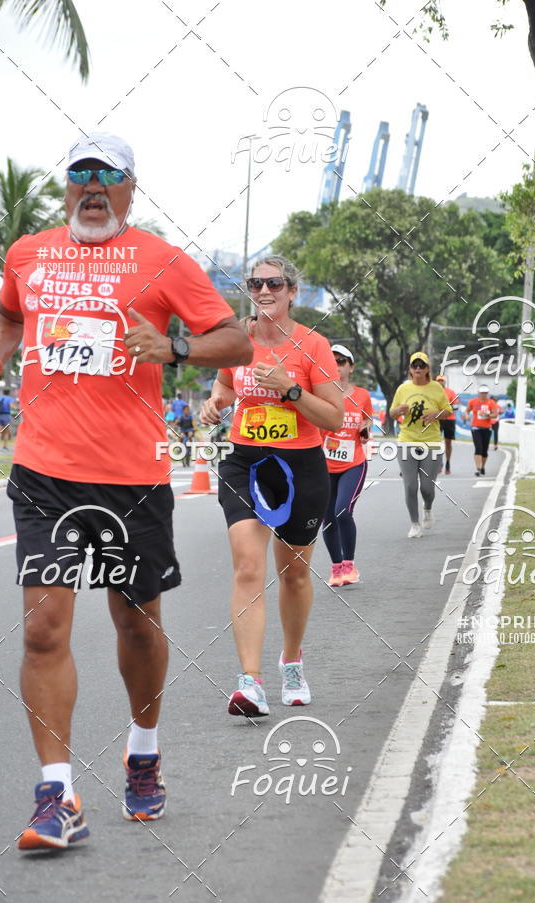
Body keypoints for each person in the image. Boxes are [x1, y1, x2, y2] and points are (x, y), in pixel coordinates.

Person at [0, 132, 251, 850]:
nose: (92, 186)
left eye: (107, 174)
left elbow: (235, 341)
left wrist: (173, 348)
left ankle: (143, 750)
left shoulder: (163, 260)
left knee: (135, 623)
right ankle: (57, 796)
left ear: (130, 188)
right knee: (43, 628)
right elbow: (10, 313)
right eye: (79, 174)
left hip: (132, 477)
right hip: (44, 472)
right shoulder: (27, 254)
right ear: (66, 187)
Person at [200, 255, 343, 717]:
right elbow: (225, 386)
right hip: (246, 463)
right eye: (256, 283)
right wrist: (215, 403)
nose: (264, 291)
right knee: (247, 567)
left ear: (291, 292)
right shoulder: (236, 340)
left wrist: (290, 389)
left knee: (294, 574)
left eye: (274, 284)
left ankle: (292, 662)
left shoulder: (313, 345)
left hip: (300, 468)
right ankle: (250, 683)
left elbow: (334, 417)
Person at [320, 345, 373, 587]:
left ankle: (349, 566)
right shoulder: (319, 395)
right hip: (324, 466)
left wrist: (365, 429)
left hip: (353, 463)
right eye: (331, 362)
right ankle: (336, 568)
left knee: (342, 510)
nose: (336, 366)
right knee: (328, 518)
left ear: (351, 367)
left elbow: (367, 420)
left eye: (341, 362)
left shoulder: (362, 395)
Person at [390, 352, 452, 538]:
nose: (417, 368)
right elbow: (392, 413)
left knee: (426, 487)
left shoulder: (436, 388)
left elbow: (448, 410)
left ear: (427, 369)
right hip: (407, 441)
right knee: (410, 486)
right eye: (414, 365)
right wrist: (398, 410)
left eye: (421, 365)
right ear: (410, 369)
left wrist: (435, 415)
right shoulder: (403, 389)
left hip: (431, 443)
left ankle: (428, 508)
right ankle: (415, 524)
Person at [465, 385, 500, 476]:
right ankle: (478, 468)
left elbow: (495, 414)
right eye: (481, 393)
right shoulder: (473, 401)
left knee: (484, 450)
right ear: (478, 393)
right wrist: (467, 415)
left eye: (485, 393)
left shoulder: (491, 402)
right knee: (478, 448)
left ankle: (482, 466)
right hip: (475, 428)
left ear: (487, 393)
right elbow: (467, 410)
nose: (483, 395)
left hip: (487, 428)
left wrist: (487, 415)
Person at [435, 374, 458, 475]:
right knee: (437, 442)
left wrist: (447, 409)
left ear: (445, 382)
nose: (440, 382)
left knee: (448, 442)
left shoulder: (451, 392)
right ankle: (439, 463)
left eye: (442, 381)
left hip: (449, 419)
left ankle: (448, 463)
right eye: (439, 381)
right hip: (437, 420)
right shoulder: (433, 392)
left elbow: (456, 406)